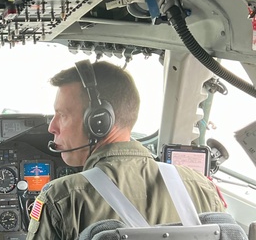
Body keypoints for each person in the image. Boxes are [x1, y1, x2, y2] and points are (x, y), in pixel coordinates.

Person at [26, 60, 226, 240]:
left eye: (62, 115)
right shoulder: (202, 188)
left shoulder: (62, 197)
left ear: (98, 121)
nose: (52, 127)